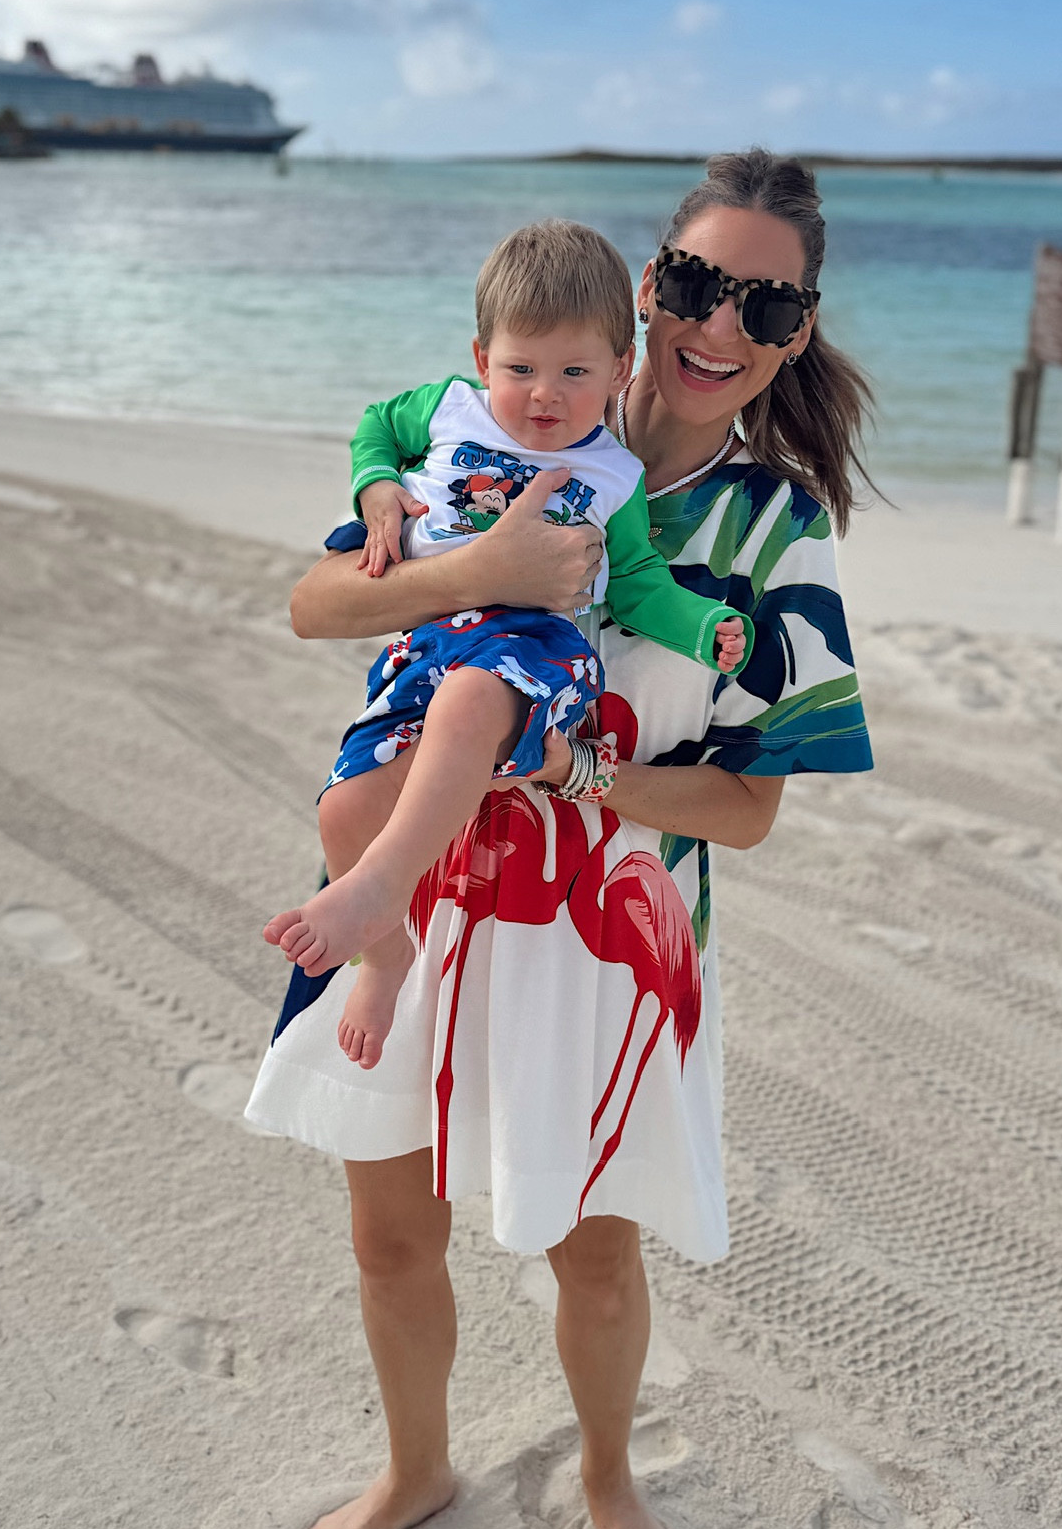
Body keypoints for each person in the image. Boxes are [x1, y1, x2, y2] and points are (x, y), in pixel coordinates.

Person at [246, 150, 876, 1529]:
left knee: (593, 1261)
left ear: (798, 331)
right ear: (653, 284)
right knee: (387, 1234)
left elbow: (749, 805)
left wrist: (575, 770)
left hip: (608, 945)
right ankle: (415, 1469)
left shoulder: (779, 532)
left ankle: (607, 1481)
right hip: (405, 903)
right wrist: (471, 573)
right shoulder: (493, 423)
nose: (721, 328)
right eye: (703, 286)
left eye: (766, 308)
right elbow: (310, 605)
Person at [263, 219, 752, 1072]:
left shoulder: (612, 474)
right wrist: (376, 487)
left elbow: (635, 580)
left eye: (574, 373)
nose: (544, 396)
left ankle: (381, 885)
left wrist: (703, 628)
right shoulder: (447, 408)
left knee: (470, 702)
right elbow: (375, 426)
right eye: (521, 369)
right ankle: (387, 952)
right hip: (425, 642)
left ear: (618, 372)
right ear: (482, 357)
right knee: (341, 809)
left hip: (532, 648)